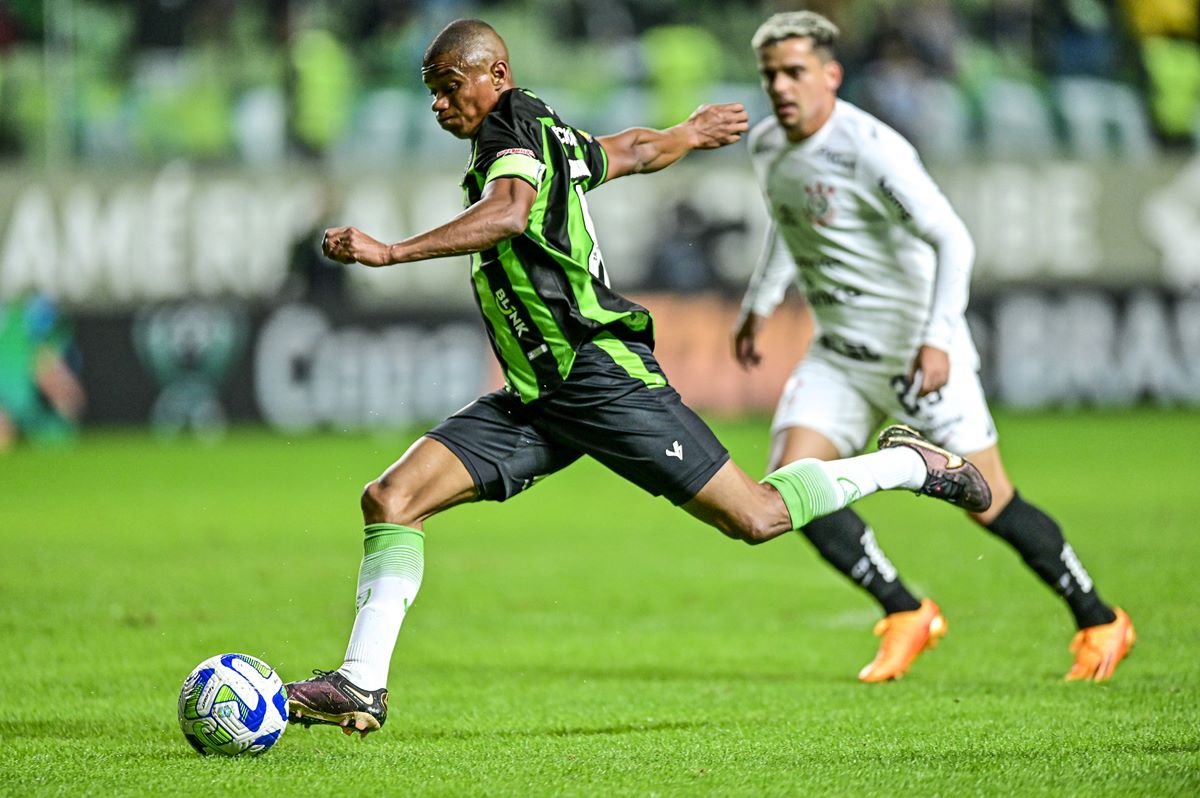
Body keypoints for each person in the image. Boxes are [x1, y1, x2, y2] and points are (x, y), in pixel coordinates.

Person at [283, 18, 992, 737]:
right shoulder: (541, 132)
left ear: (495, 75)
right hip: (539, 394)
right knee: (392, 496)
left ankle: (909, 462)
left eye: (448, 86)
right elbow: (624, 151)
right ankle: (360, 684)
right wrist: (686, 132)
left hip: (600, 375)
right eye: (431, 92)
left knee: (757, 517)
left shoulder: (509, 134)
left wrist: (390, 253)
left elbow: (507, 214)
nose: (438, 104)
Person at [733, 11, 1134, 685]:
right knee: (789, 489)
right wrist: (761, 301)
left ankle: (1098, 618)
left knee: (988, 501)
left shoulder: (871, 148)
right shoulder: (770, 145)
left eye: (795, 71)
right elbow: (788, 223)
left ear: (831, 75)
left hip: (917, 354)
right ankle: (906, 611)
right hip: (838, 355)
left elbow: (953, 239)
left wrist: (938, 337)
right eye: (770, 73)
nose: (780, 85)